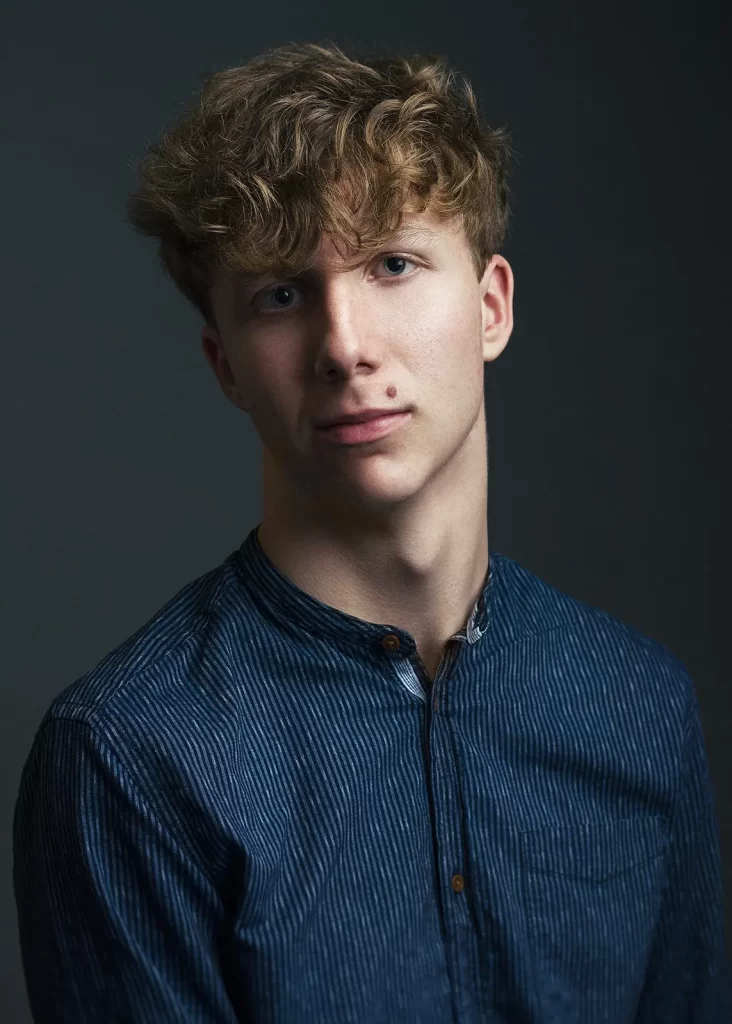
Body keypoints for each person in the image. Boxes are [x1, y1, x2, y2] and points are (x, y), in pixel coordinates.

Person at [13, 38, 730, 1024]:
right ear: (226, 367)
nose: (345, 346)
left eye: (393, 262)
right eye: (280, 293)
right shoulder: (129, 756)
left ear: (490, 306)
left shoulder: (638, 705)